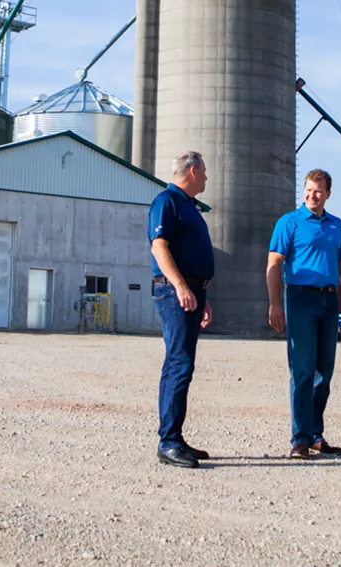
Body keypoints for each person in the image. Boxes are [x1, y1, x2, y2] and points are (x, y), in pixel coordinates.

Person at [266, 169, 341, 460]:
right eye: (308, 190)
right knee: (303, 371)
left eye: (318, 191)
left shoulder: (336, 226)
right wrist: (275, 303)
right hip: (299, 299)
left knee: (325, 372)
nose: (312, 195)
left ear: (328, 194)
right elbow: (274, 262)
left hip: (330, 301)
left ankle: (315, 435)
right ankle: (299, 438)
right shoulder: (290, 222)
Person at [149, 150, 216, 469]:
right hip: (175, 292)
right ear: (191, 171)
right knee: (178, 362)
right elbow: (159, 246)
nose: (206, 177)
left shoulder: (188, 206)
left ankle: (176, 437)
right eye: (203, 172)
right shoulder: (167, 201)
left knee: (183, 364)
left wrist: (201, 294)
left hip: (191, 291)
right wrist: (181, 287)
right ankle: (169, 442)